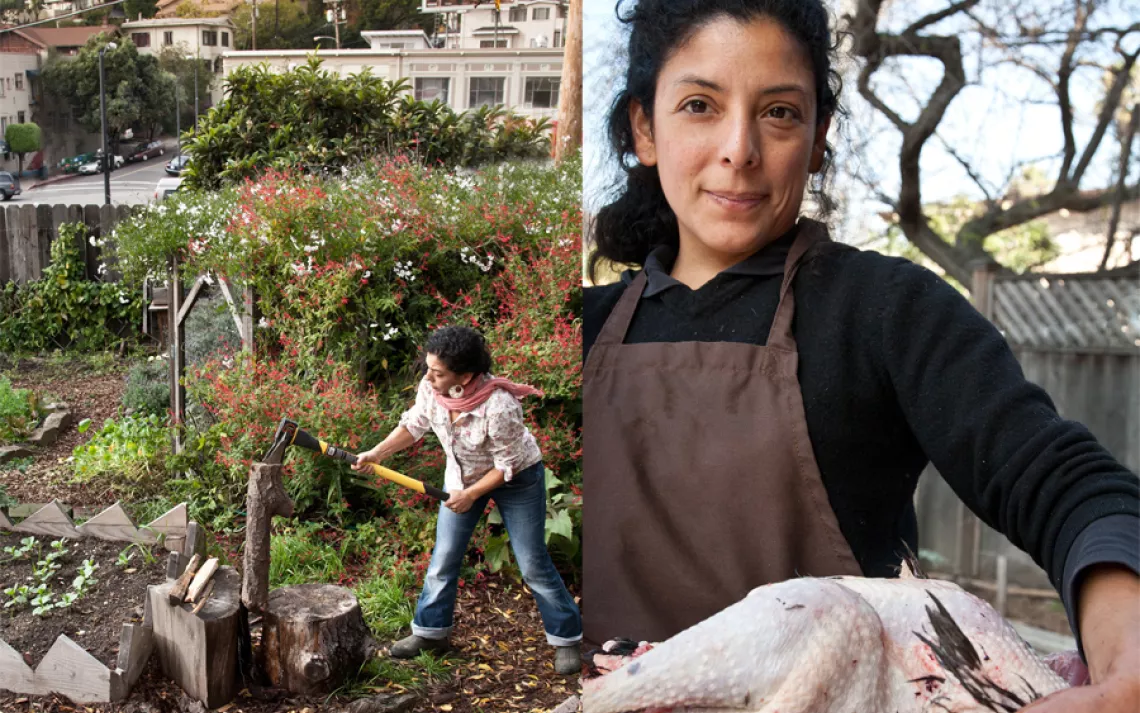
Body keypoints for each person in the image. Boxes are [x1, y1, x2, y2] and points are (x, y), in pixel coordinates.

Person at [581, 1, 1138, 710]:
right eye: (699, 105)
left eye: (779, 113)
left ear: (817, 140)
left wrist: (1128, 664)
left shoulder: (888, 311)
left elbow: (1064, 484)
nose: (739, 149)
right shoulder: (583, 328)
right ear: (644, 128)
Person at [354, 325, 582, 675]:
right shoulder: (431, 389)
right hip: (461, 479)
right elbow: (414, 425)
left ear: (465, 376)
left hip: (517, 480)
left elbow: (506, 465)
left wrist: (472, 495)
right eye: (428, 368)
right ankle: (431, 634)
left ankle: (567, 637)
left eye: (438, 372)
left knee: (532, 563)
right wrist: (376, 453)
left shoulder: (499, 405)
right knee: (444, 557)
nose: (428, 377)